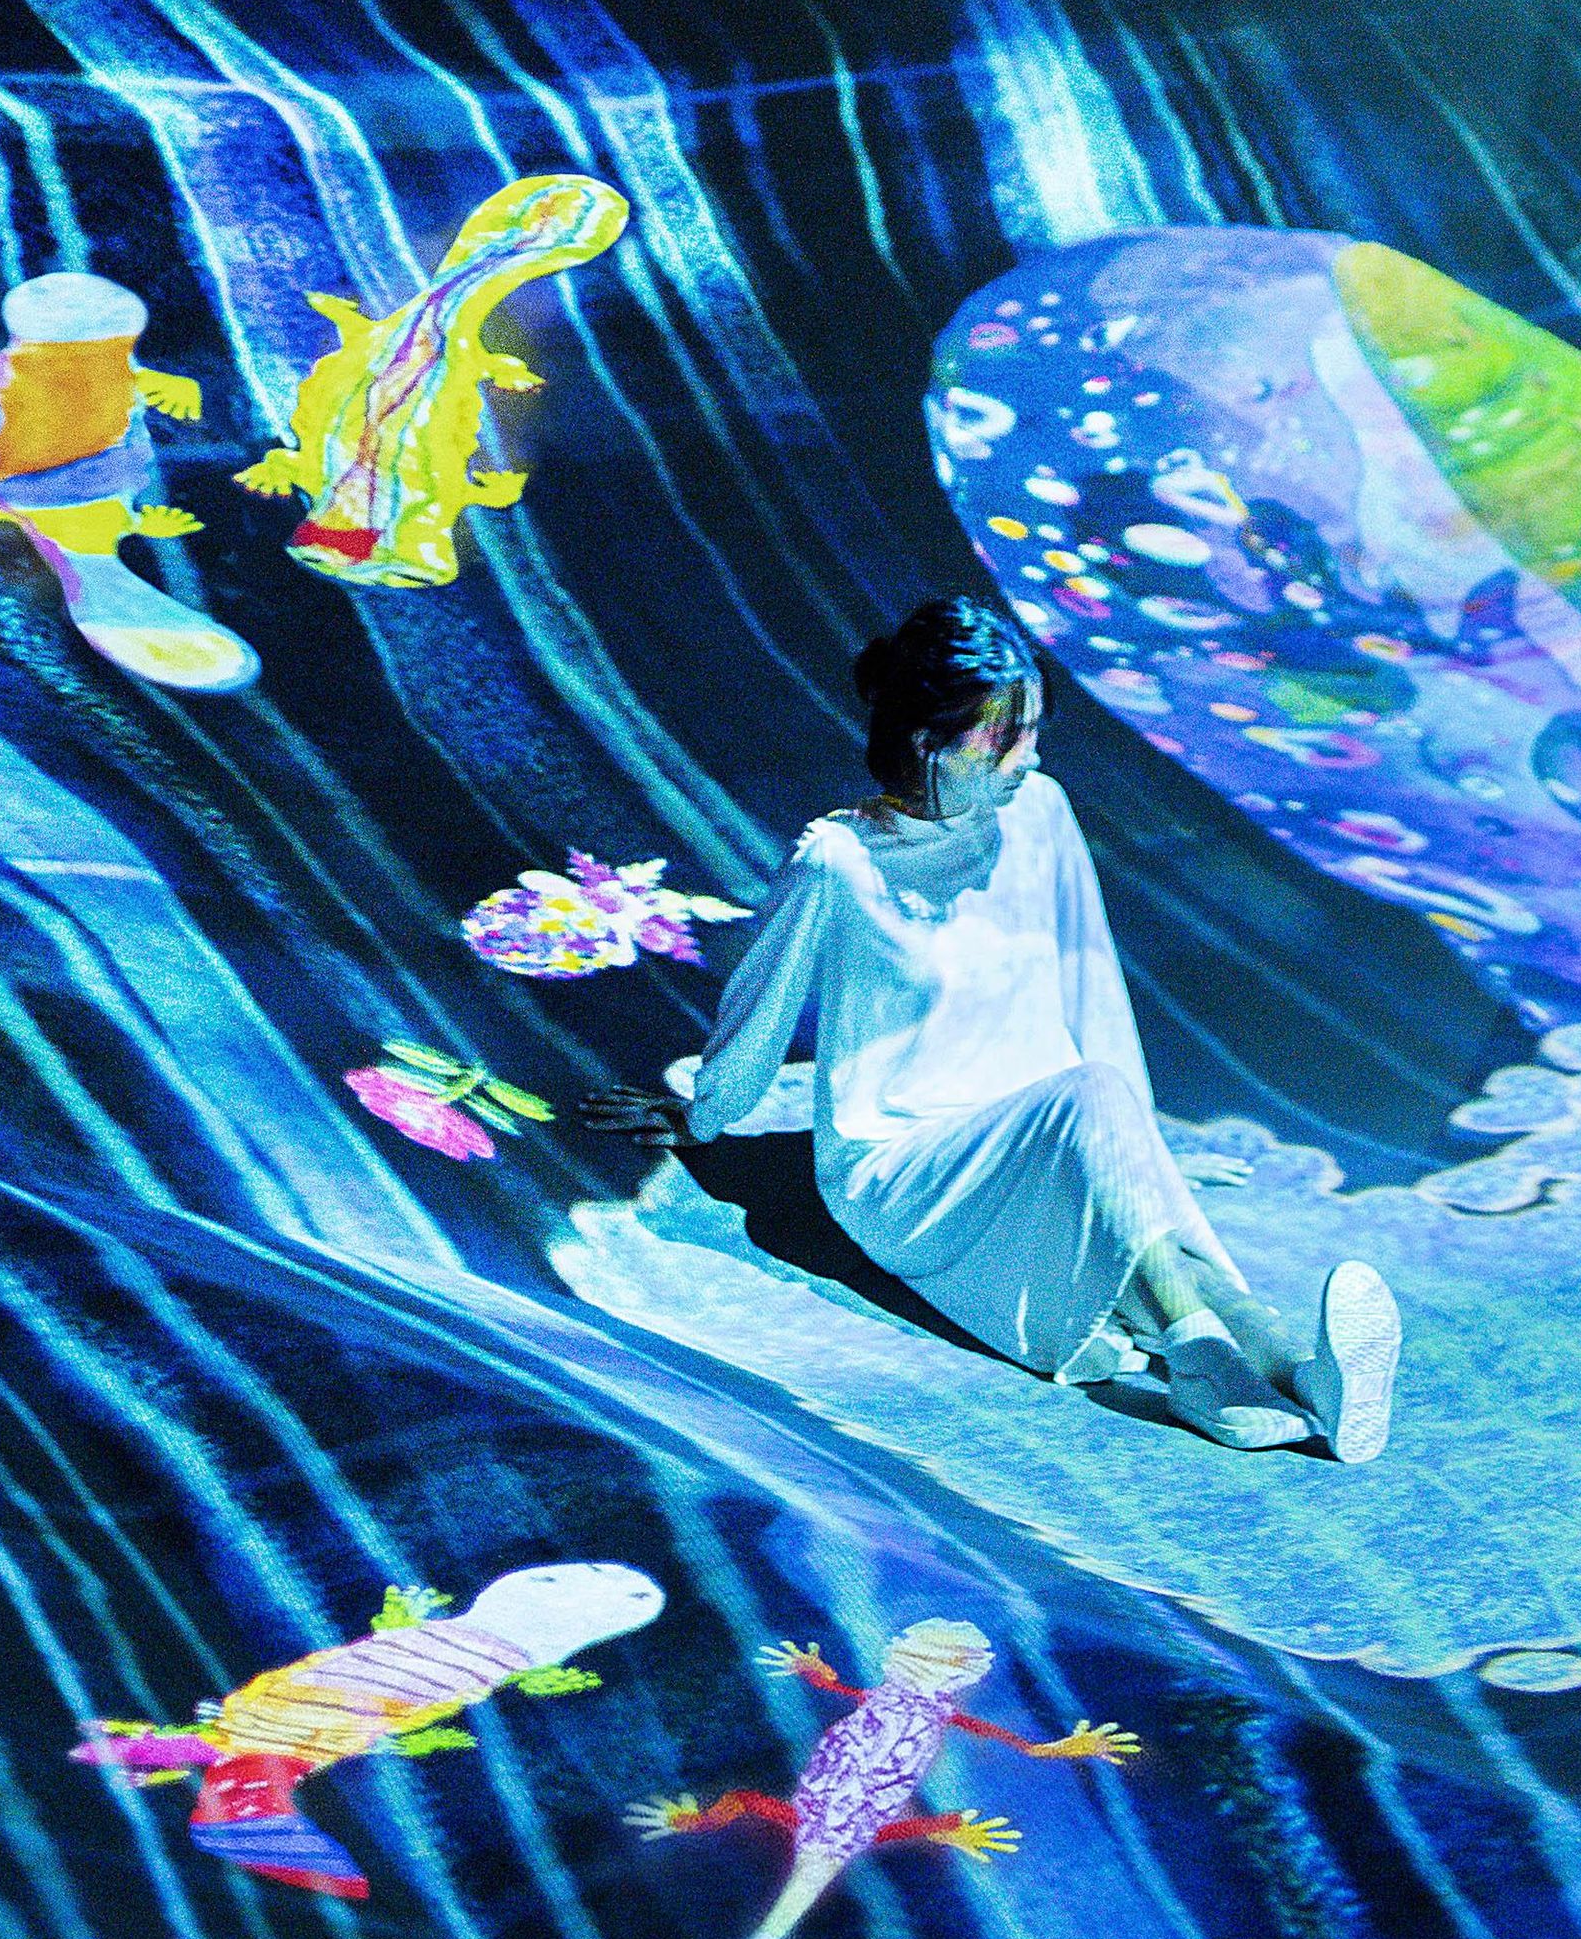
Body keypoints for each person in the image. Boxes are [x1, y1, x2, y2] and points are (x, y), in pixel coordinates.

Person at [584, 598, 1401, 1460]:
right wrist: (706, 1116)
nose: (1028, 757)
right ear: (927, 741)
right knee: (1101, 1149)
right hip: (903, 1171)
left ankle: (1304, 1377)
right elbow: (761, 1003)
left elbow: (1090, 984)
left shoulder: (1039, 812)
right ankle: (1200, 1363)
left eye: (1035, 731)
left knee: (1150, 1232)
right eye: (1004, 738)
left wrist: (1143, 1155)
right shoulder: (840, 863)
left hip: (1054, 1132)